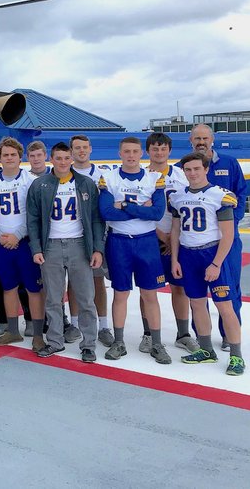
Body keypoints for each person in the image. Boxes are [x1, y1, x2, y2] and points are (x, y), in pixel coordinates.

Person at [26, 143, 104, 363]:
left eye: (66, 158)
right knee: (53, 298)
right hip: (51, 245)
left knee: (86, 298)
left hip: (79, 245)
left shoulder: (85, 183)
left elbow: (97, 219)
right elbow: (32, 220)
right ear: (51, 158)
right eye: (58, 158)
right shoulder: (40, 184)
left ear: (71, 159)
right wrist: (36, 248)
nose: (62, 162)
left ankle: (88, 344)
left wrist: (97, 248)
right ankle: (55, 341)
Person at [170, 152, 244, 376]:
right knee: (197, 303)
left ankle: (236, 356)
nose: (192, 173)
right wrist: (174, 259)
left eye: (196, 169)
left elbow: (228, 234)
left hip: (212, 253)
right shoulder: (177, 196)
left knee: (225, 306)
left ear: (206, 170)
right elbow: (175, 230)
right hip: (188, 254)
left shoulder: (219, 195)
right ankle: (206, 349)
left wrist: (216, 264)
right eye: (188, 170)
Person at [99, 137, 170, 364]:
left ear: (142, 154)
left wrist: (126, 205)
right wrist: (141, 208)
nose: (131, 155)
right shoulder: (109, 178)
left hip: (147, 241)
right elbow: (106, 212)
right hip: (119, 241)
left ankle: (156, 343)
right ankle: (119, 342)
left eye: (135, 151)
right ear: (120, 153)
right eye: (126, 151)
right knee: (120, 293)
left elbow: (157, 213)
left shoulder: (154, 178)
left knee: (150, 294)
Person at [0, 138, 46, 352]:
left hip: (26, 242)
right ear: (0, 158)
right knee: (7, 287)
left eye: (13, 154)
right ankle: (13, 330)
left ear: (20, 157)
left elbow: (35, 213)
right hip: (1, 244)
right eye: (5, 155)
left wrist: (18, 235)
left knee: (33, 289)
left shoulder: (32, 180)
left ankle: (37, 333)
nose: (9, 158)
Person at [190, 124, 248, 351]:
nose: (201, 142)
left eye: (205, 138)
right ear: (191, 141)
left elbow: (241, 193)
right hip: (197, 242)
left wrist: (232, 222)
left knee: (230, 288)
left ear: (212, 139)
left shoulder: (229, 163)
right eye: (197, 138)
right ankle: (201, 336)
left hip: (227, 240)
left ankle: (228, 336)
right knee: (197, 292)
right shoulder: (185, 167)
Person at [144, 133, 198, 353]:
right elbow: (139, 211)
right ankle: (148, 334)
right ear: (148, 151)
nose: (159, 152)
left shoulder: (181, 175)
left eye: (163, 148)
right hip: (150, 237)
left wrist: (174, 237)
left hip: (177, 239)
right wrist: (161, 235)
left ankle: (183, 334)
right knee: (147, 290)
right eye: (155, 149)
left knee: (180, 287)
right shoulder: (141, 176)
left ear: (169, 151)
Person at [68, 135, 111, 345]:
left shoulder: (103, 174)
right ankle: (74, 324)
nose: (81, 151)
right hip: (71, 236)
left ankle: (103, 326)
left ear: (91, 149)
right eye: (77, 148)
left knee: (97, 280)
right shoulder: (64, 174)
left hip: (95, 235)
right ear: (71, 151)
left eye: (84, 147)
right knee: (74, 282)